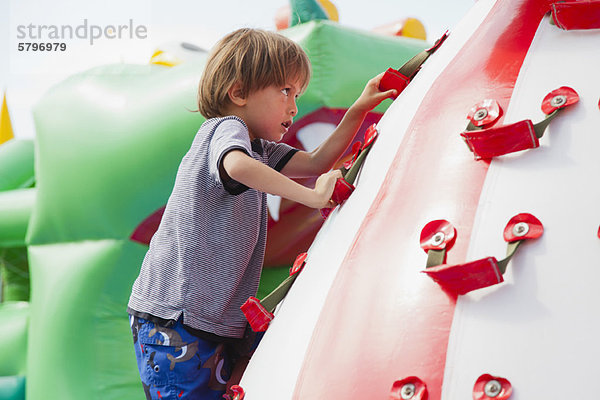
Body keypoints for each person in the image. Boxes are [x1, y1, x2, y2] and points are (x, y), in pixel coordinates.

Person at [127, 27, 396, 400]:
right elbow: (236, 167)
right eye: (285, 91)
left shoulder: (260, 149)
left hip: (215, 319)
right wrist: (311, 198)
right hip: (176, 318)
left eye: (297, 95)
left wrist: (358, 111)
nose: (294, 107)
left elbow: (317, 161)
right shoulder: (224, 130)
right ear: (238, 93)